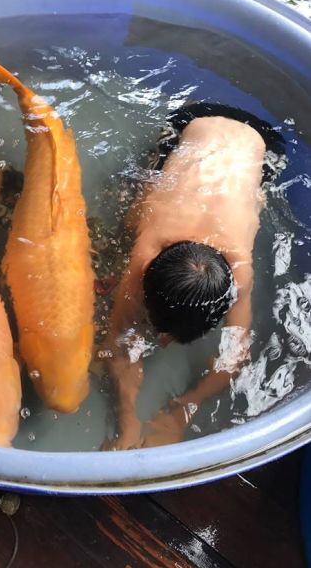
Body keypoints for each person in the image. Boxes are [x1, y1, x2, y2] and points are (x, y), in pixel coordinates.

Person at [104, 102, 285, 449]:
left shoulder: (239, 269)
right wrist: (128, 420)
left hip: (260, 143)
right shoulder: (148, 250)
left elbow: (235, 355)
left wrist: (185, 410)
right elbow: (118, 341)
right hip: (199, 123)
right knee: (132, 220)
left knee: (137, 214)